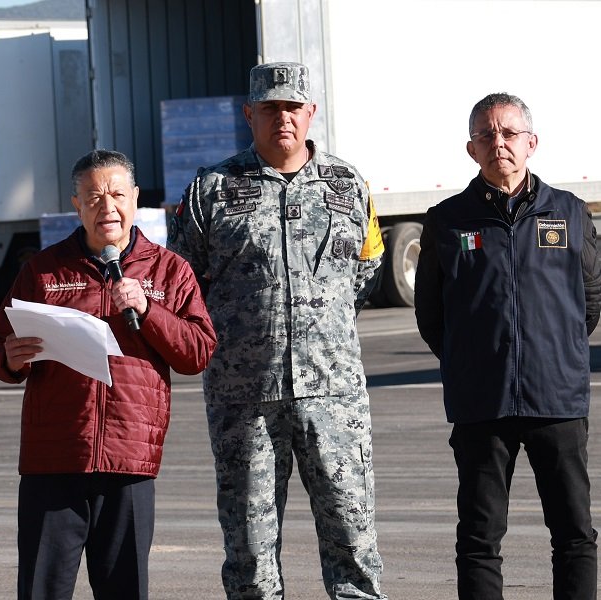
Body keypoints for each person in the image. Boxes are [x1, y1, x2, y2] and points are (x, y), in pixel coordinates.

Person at [167, 62, 387, 599]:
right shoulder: (212, 190)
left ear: (311, 113)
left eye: (293, 107)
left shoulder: (348, 185)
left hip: (333, 395)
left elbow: (367, 268)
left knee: (354, 549)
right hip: (245, 399)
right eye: (270, 108)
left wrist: (318, 325)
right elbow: (182, 282)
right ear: (249, 114)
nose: (282, 118)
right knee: (249, 556)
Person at [0, 149, 216, 599]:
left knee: (124, 590)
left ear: (135, 198)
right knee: (41, 590)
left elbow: (198, 351)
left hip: (129, 460)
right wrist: (12, 359)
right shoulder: (43, 271)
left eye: (115, 194)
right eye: (92, 197)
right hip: (54, 459)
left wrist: (148, 310)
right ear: (76, 204)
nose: (106, 207)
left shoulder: (170, 270)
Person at [414, 92, 601, 599]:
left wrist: (552, 353)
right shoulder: (446, 220)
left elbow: (589, 301)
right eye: (486, 134)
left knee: (574, 535)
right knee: (478, 539)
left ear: (531, 143)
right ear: (471, 149)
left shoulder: (569, 212)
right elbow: (432, 314)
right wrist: (472, 359)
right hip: (482, 403)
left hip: (556, 401)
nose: (499, 142)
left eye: (509, 133)